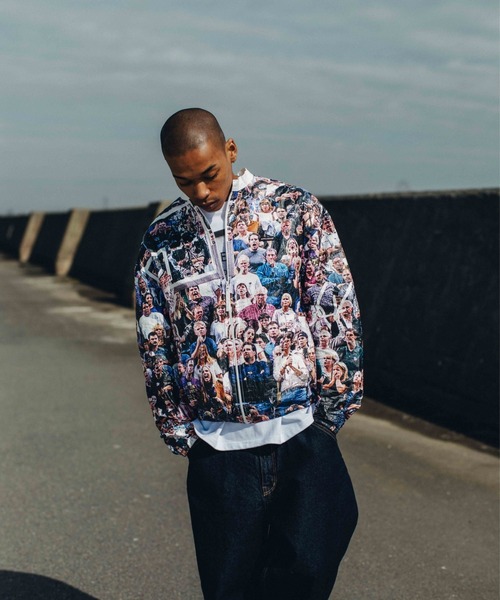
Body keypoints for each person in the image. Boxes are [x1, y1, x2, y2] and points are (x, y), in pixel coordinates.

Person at [134, 108, 363, 600]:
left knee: (307, 573)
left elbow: (333, 306)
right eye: (184, 181)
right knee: (230, 589)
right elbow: (155, 339)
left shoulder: (294, 209)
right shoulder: (162, 240)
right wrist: (180, 431)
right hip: (217, 452)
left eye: (209, 173)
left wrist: (330, 415)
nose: (200, 191)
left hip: (301, 434)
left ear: (231, 150)